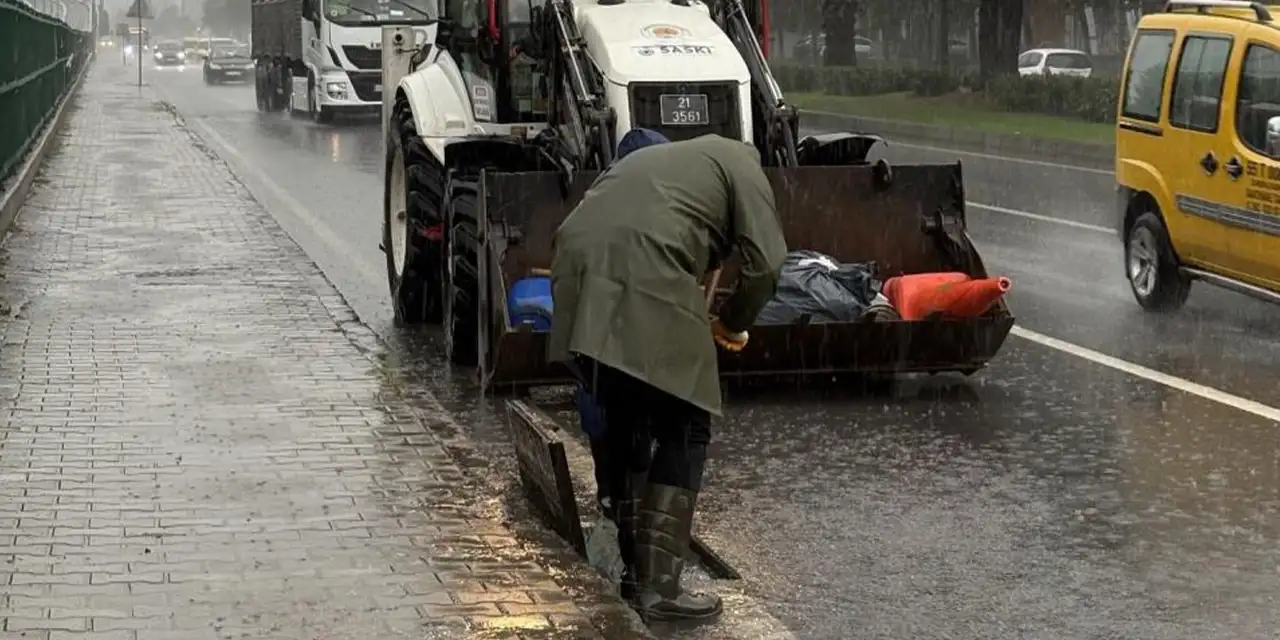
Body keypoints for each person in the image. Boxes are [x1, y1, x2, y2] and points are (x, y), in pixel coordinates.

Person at [550, 131, 787, 621]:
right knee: (686, 422)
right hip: (644, 266)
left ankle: (632, 566)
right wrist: (734, 322)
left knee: (627, 408)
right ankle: (658, 589)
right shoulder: (745, 169)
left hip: (574, 255)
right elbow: (766, 266)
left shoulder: (673, 161)